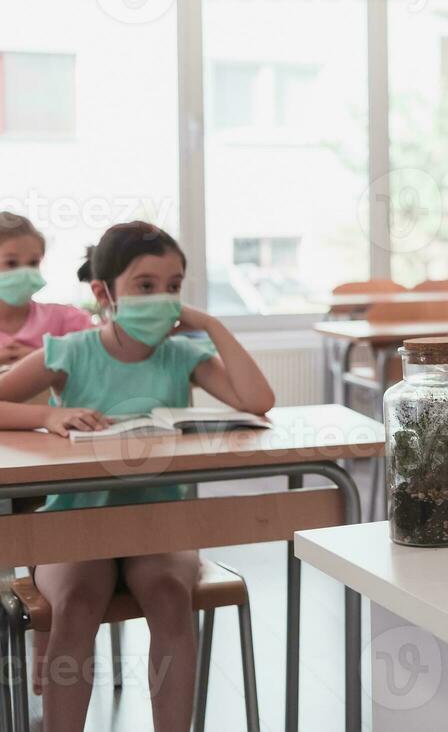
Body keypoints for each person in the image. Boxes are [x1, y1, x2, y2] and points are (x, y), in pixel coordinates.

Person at [0, 221, 275, 732]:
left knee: (171, 601)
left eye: (173, 287)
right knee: (77, 605)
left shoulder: (183, 355)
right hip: (76, 526)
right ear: (104, 293)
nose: (163, 298)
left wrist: (210, 324)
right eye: (145, 286)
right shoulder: (70, 352)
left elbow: (258, 401)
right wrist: (47, 415)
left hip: (160, 524)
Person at [0, 212, 93, 366]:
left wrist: (47, 357)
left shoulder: (68, 321)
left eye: (33, 263)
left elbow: (104, 356)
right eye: (11, 263)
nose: (25, 273)